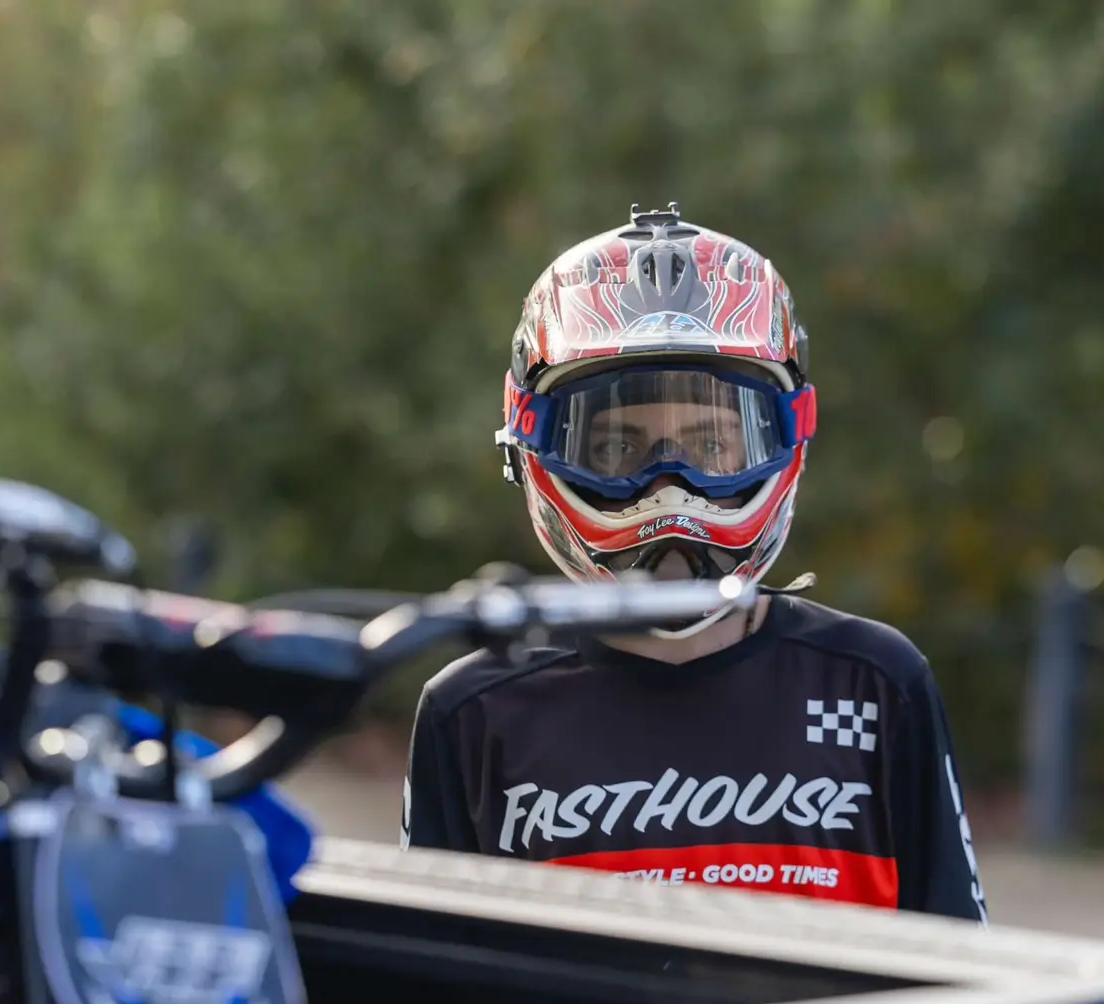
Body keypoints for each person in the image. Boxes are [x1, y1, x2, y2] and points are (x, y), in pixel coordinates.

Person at [400, 204, 986, 922]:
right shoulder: (479, 711)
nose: (668, 485)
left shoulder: (874, 686)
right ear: (532, 440)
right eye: (617, 447)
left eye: (712, 445)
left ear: (785, 431)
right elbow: (438, 988)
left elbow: (962, 975)